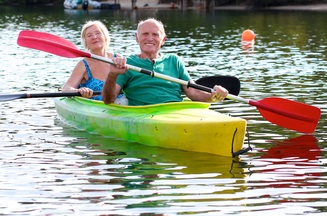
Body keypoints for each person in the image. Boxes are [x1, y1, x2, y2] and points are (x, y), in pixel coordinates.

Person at [102, 18, 228, 106]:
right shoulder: (127, 64)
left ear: (163, 39)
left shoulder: (174, 61)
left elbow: (193, 92)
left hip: (175, 112)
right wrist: (112, 75)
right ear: (137, 37)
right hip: (144, 114)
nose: (150, 38)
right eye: (145, 34)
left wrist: (214, 95)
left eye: (155, 35)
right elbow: (108, 100)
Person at [62, 20, 128, 104]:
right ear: (86, 42)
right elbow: (67, 88)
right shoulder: (83, 64)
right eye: (89, 35)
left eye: (98, 33)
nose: (94, 37)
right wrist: (78, 91)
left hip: (120, 105)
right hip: (95, 109)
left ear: (105, 36)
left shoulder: (117, 58)